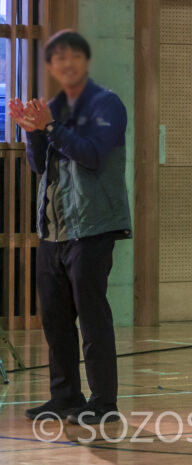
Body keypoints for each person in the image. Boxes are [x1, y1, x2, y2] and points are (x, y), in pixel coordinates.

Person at [8, 30, 131, 426]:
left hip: (91, 228)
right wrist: (32, 132)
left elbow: (93, 156)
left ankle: (103, 402)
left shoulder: (106, 105)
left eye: (70, 57)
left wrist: (49, 129)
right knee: (56, 320)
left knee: (93, 318)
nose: (63, 64)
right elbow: (42, 166)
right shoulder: (54, 107)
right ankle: (64, 396)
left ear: (83, 61)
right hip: (53, 231)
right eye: (55, 59)